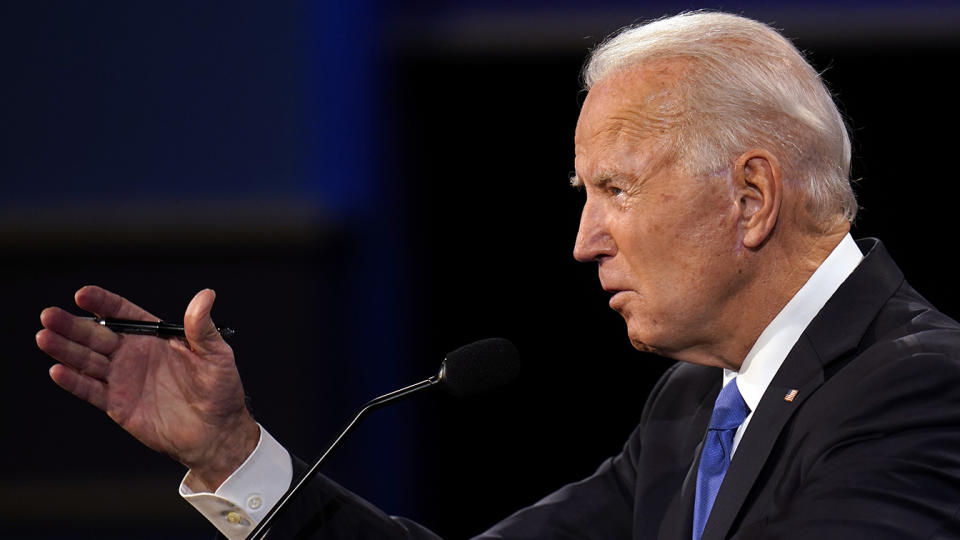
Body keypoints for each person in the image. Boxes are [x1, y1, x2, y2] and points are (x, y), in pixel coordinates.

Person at [36, 11, 960, 540]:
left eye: (616, 188)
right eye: (583, 193)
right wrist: (232, 455)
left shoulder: (920, 387)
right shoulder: (692, 408)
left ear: (752, 197)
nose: (584, 240)